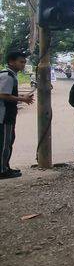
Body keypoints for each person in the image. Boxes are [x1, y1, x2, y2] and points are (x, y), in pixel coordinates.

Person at [0, 51, 35, 179]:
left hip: (8, 115)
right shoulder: (8, 76)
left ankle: (5, 167)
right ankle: (2, 171)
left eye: (24, 62)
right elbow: (3, 95)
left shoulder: (11, 75)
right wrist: (22, 99)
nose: (23, 64)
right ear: (11, 62)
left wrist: (22, 97)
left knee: (8, 141)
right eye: (21, 62)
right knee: (4, 143)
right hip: (4, 115)